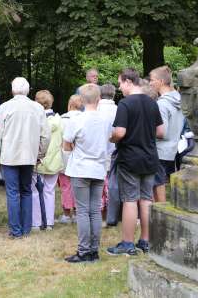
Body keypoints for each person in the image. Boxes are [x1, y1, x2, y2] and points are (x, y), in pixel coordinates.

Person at [107, 68, 164, 256]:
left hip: (130, 158)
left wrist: (112, 137)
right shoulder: (152, 103)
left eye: (120, 83)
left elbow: (120, 132)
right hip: (150, 157)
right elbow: (161, 132)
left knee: (130, 200)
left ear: (128, 81)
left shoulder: (125, 104)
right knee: (147, 199)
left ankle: (127, 243)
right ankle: (146, 241)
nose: (119, 88)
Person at [0, 77, 51, 238]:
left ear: (12, 90)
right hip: (29, 156)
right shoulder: (37, 108)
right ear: (28, 90)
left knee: (12, 193)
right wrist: (39, 154)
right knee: (26, 191)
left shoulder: (4, 107)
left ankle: (16, 230)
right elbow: (46, 136)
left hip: (9, 157)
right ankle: (25, 229)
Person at [63, 84, 113, 263]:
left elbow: (66, 145)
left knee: (83, 211)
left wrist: (77, 147)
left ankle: (84, 251)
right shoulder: (105, 120)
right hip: (98, 168)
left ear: (82, 100)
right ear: (98, 99)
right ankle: (94, 250)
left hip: (81, 167)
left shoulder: (76, 120)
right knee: (95, 210)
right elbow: (109, 144)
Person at [149, 66, 184, 203]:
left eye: (152, 80)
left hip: (160, 150)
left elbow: (161, 132)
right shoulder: (178, 99)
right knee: (161, 183)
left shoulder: (162, 104)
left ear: (161, 81)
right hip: (171, 149)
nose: (150, 83)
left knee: (157, 185)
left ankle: (159, 217)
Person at [32, 90, 64, 230]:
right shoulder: (59, 120)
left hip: (38, 160)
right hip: (54, 161)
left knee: (34, 191)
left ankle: (37, 222)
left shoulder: (36, 121)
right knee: (49, 191)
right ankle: (50, 222)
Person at [58, 95, 83, 224]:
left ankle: (67, 214)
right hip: (80, 157)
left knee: (66, 186)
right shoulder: (85, 119)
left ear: (69, 104)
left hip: (64, 156)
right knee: (80, 186)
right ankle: (79, 213)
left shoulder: (62, 119)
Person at [98, 83, 118, 224]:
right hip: (115, 150)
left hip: (98, 152)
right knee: (113, 184)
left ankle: (100, 213)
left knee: (99, 184)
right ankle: (113, 213)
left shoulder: (96, 109)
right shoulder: (119, 109)